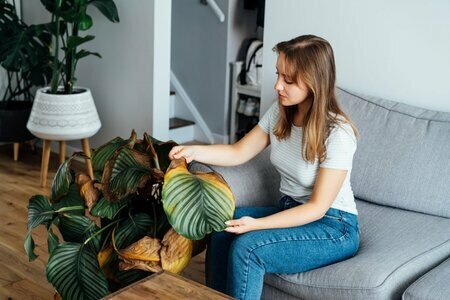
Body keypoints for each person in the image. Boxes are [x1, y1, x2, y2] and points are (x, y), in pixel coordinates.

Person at [168, 35, 360, 300]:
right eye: (278, 74)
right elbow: (239, 151)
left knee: (248, 247)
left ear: (315, 82)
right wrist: (192, 151)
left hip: (334, 227)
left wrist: (257, 224)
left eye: (289, 80)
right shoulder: (280, 112)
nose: (278, 85)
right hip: (290, 209)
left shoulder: (337, 133)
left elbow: (317, 208)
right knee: (223, 225)